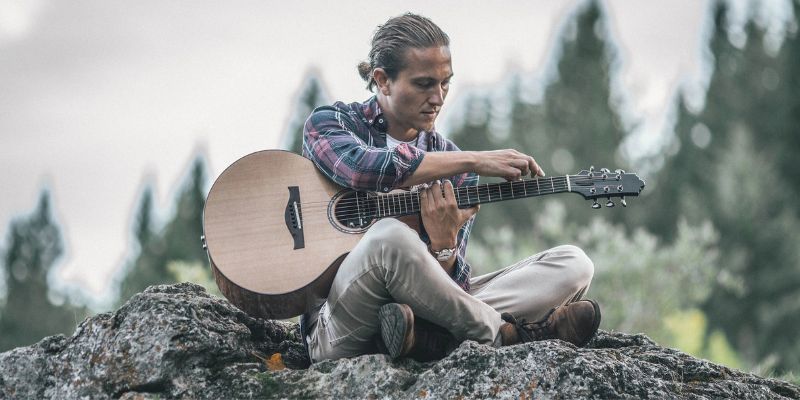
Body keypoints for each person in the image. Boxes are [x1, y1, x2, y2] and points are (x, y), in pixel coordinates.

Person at [300, 13, 600, 363]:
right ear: (382, 81)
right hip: (339, 323)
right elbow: (362, 169)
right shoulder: (333, 123)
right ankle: (505, 336)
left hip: (418, 319)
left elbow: (447, 296)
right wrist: (473, 160)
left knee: (574, 265)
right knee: (388, 237)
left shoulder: (453, 165)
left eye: (445, 83)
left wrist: (444, 245)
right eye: (424, 84)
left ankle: (425, 343)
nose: (439, 98)